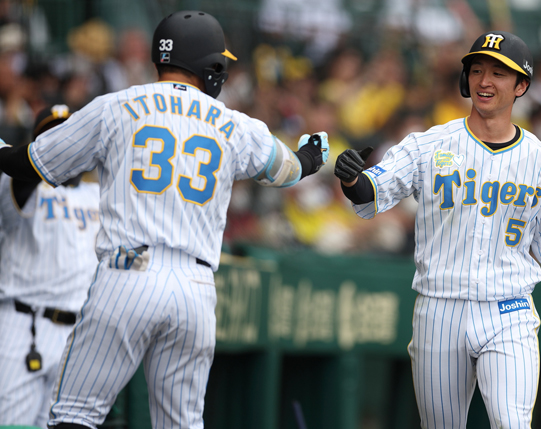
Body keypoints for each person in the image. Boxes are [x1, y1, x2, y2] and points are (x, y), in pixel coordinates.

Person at [0, 10, 329, 429]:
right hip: (195, 289)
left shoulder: (116, 105)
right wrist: (310, 154)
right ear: (208, 66)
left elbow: (29, 163)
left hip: (127, 275)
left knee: (76, 415)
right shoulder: (233, 123)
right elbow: (289, 171)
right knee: (181, 425)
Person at [334, 31, 541, 428]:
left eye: (500, 73)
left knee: (511, 423)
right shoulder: (429, 145)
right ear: (465, 79)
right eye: (477, 70)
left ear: (521, 85)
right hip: (440, 308)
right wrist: (351, 179)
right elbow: (371, 189)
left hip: (510, 309)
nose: (485, 81)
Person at [0, 104, 100, 427]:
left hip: (75, 335)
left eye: (68, 135)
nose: (61, 143)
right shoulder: (18, 186)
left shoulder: (99, 194)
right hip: (23, 325)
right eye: (50, 136)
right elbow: (20, 169)